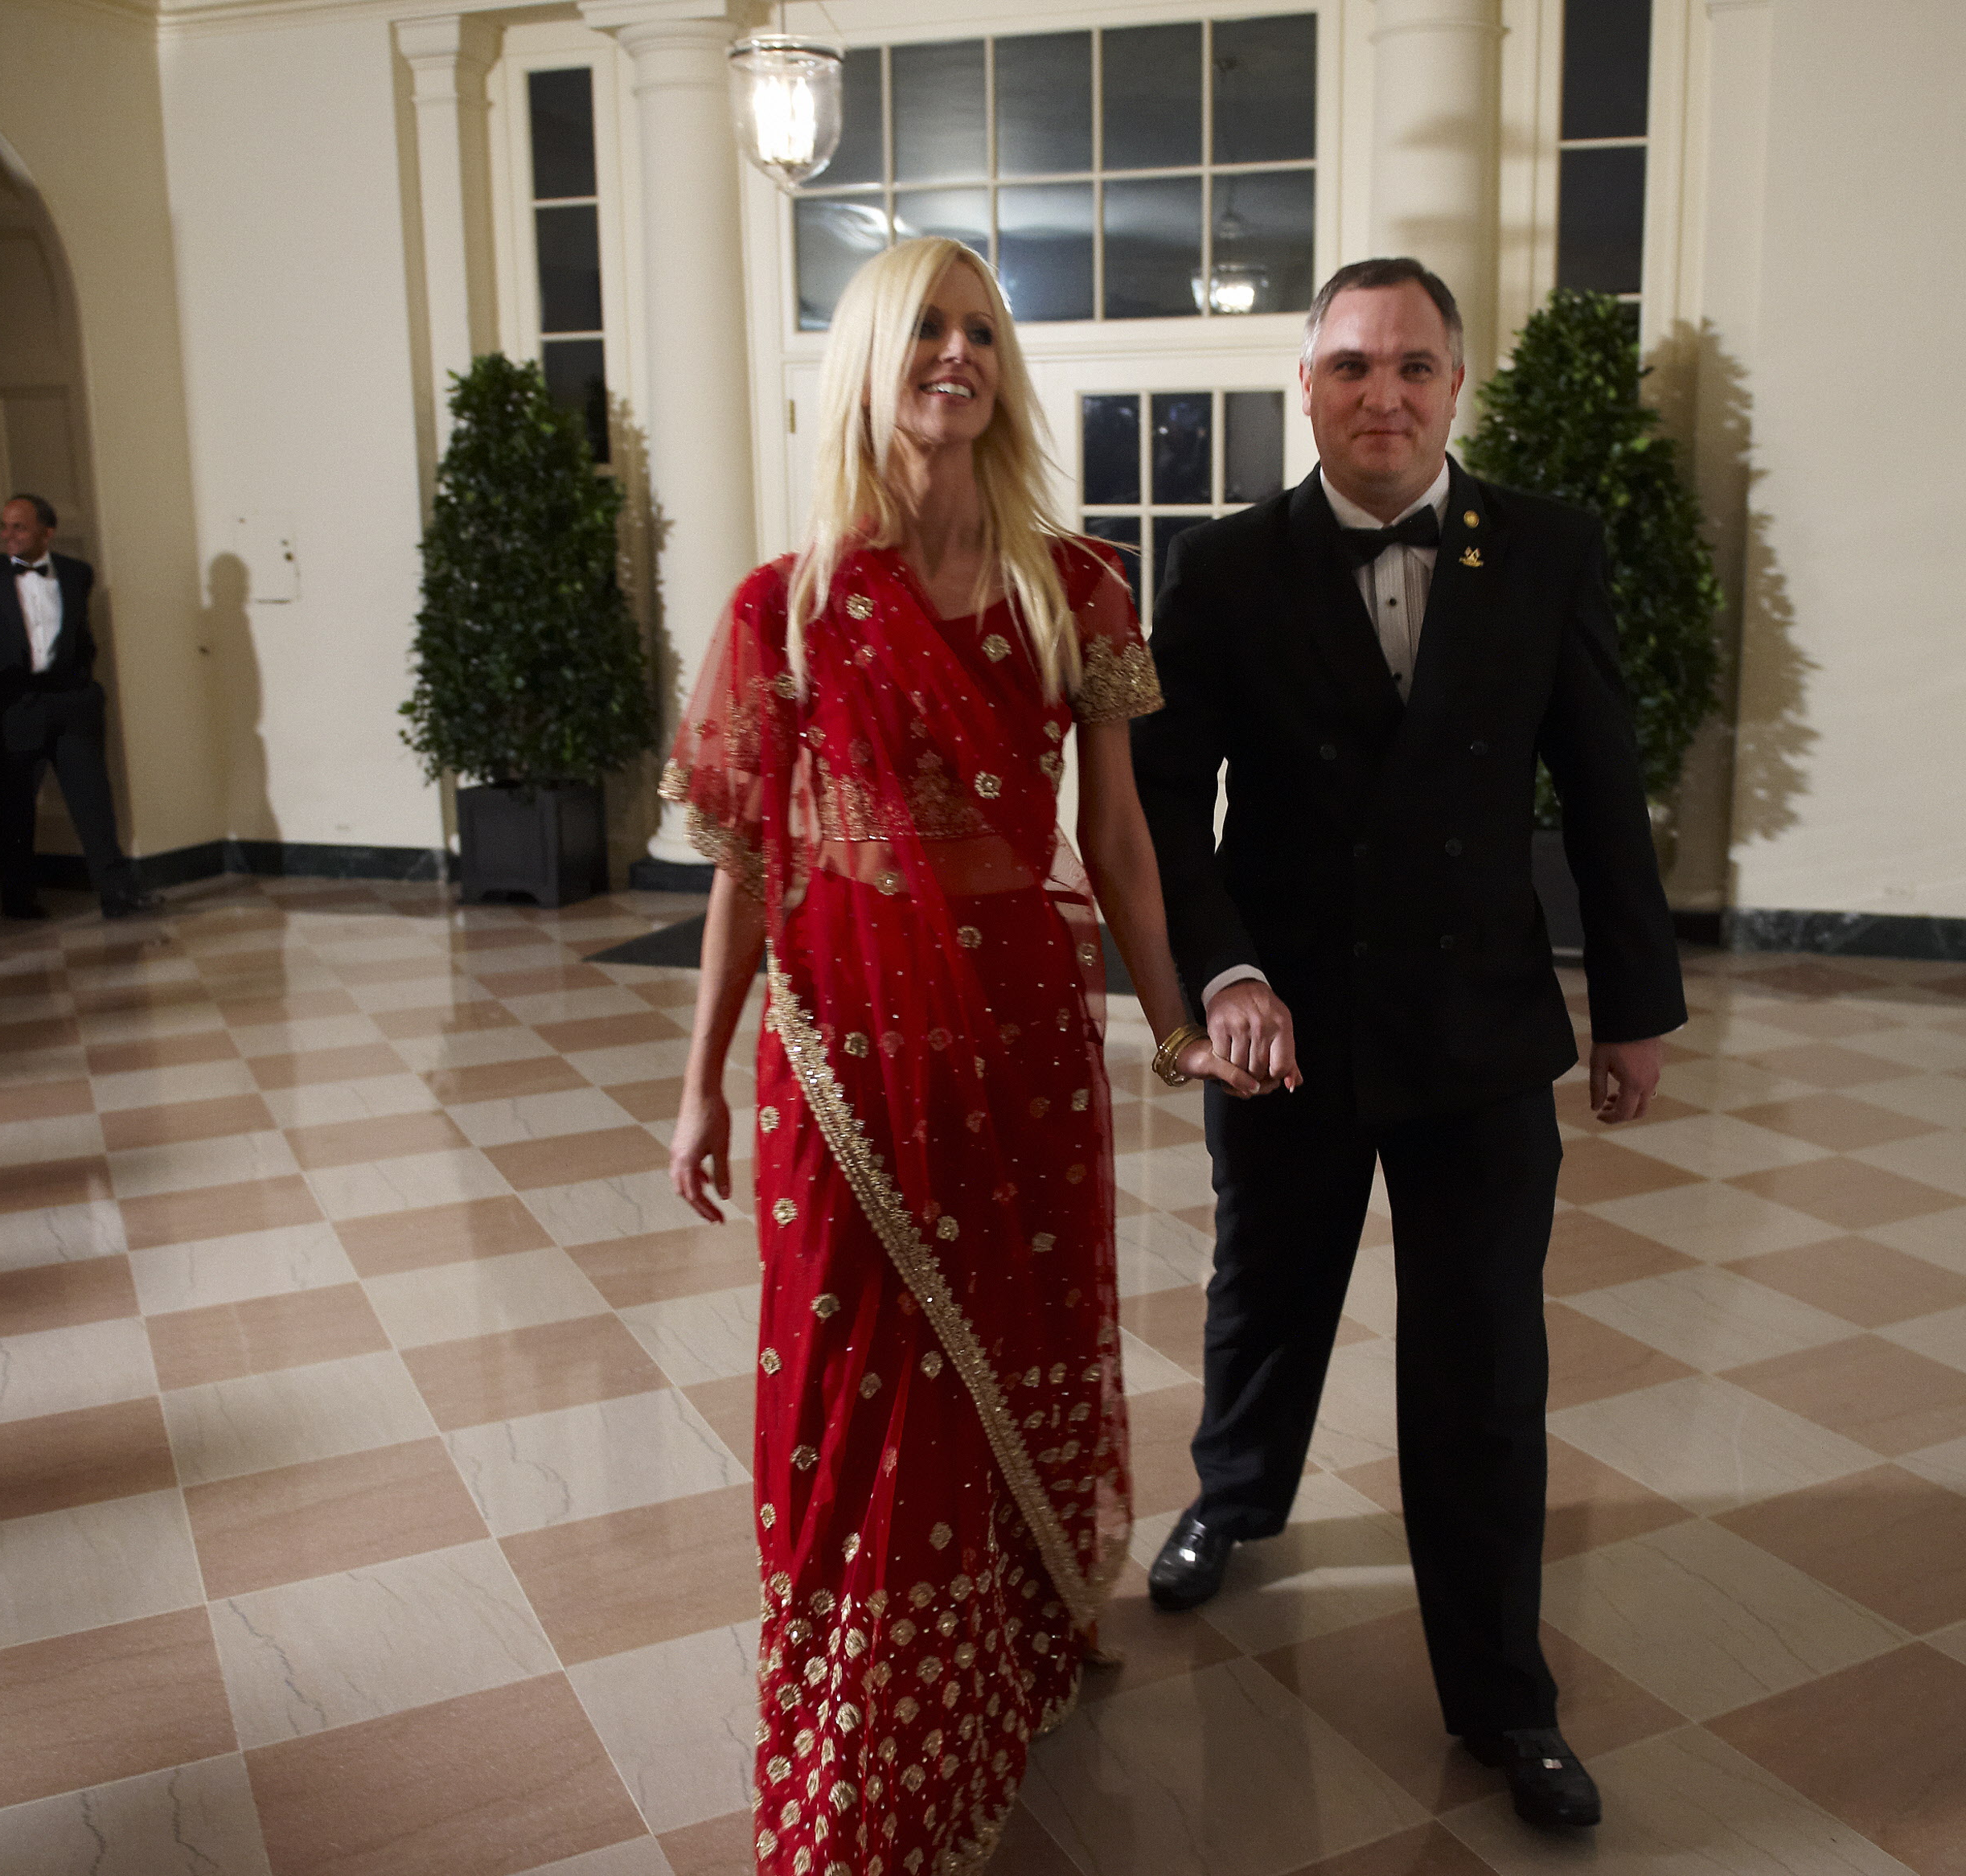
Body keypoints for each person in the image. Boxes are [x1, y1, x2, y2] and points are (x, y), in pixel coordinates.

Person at [663, 236, 1252, 1874]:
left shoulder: (1077, 589)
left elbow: (1121, 841)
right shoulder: (780, 607)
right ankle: (869, 1743)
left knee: (1010, 1335)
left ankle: (1009, 1649)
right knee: (862, 1385)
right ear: (865, 358)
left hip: (1017, 1037)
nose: (956, 351)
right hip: (843, 1060)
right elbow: (745, 870)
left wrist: (1176, 1017)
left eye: (980, 328)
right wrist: (697, 1077)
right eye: (924, 325)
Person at [1129, 257, 1688, 1831]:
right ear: (1304, 385)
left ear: (1457, 386)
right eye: (1354, 364)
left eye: (1415, 366)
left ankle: (1504, 1693)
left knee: (1483, 1366)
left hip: (1480, 1025)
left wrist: (1634, 1001)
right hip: (1285, 1022)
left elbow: (1598, 778)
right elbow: (1163, 789)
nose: (1385, 393)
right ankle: (1231, 1498)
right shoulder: (1232, 566)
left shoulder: (1547, 550)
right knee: (1266, 1286)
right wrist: (1216, 969)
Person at [0, 494, 162, 920]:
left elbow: (81, 638)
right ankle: (17, 899)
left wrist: (83, 689)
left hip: (70, 705)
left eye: (19, 527)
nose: (7, 535)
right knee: (13, 808)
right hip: (13, 708)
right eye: (5, 526)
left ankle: (118, 894)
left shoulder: (76, 574)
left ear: (47, 532)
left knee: (93, 802)